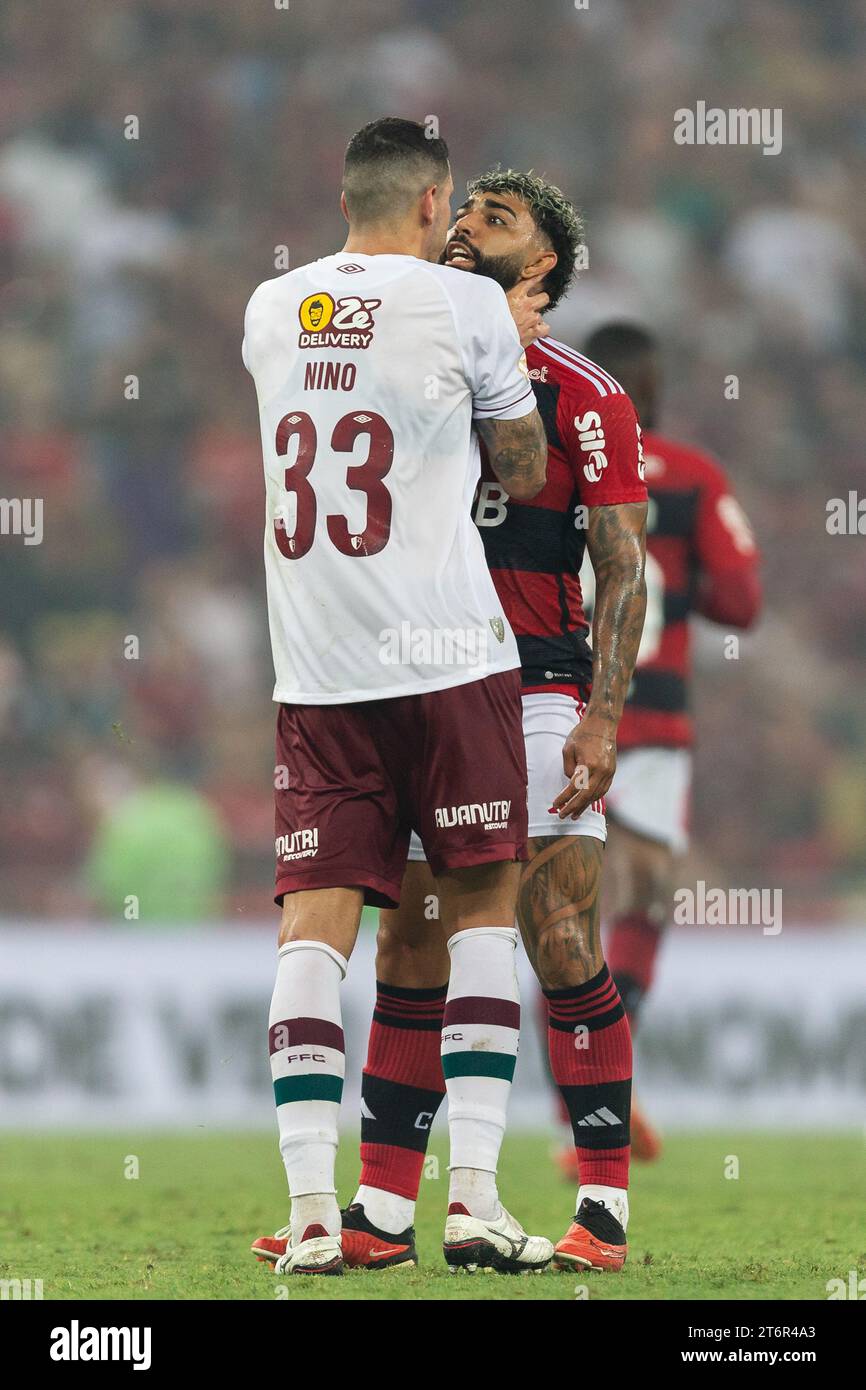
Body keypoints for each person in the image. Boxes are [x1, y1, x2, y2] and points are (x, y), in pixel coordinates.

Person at [252, 169, 648, 1274]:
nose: (464, 224)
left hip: (536, 686)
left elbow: (622, 566)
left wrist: (604, 714)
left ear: (544, 274)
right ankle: (382, 1210)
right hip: (413, 686)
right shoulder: (401, 344)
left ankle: (603, 1200)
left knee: (556, 931)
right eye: (462, 206)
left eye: (496, 219)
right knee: (414, 937)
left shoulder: (584, 394)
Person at [572, 322, 762, 1163]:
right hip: (648, 716)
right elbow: (744, 602)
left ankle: (583, 1101)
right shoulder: (689, 478)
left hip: (554, 705)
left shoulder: (543, 466)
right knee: (644, 894)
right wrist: (676, 591)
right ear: (655, 385)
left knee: (549, 904)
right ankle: (603, 1090)